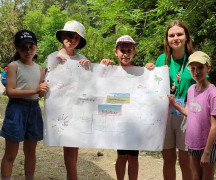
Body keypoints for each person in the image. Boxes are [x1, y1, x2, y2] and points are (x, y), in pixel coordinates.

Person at [146, 20, 194, 180]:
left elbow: (204, 87)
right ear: (167, 39)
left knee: (186, 162)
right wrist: (148, 70)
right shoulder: (162, 59)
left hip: (187, 113)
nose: (175, 38)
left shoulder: (194, 60)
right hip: (165, 114)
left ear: (186, 37)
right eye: (171, 35)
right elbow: (152, 84)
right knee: (168, 160)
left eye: (179, 34)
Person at [0, 29, 49, 180]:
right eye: (23, 48)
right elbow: (10, 91)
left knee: (31, 153)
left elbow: (39, 94)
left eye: (31, 47)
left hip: (34, 110)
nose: (28, 51)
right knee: (11, 153)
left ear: (36, 47)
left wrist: (46, 87)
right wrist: (35, 89)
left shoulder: (39, 68)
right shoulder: (13, 66)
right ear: (16, 48)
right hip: (17, 110)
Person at [44, 20, 91, 180]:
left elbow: (90, 82)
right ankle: (73, 177)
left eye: (77, 37)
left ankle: (71, 176)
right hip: (62, 109)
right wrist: (55, 66)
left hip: (78, 108)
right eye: (70, 35)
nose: (72, 39)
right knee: (70, 146)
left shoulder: (82, 58)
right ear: (62, 35)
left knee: (74, 146)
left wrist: (89, 68)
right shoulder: (52, 58)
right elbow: (46, 81)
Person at [168, 51, 216, 180]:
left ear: (208, 68)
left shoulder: (213, 94)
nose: (196, 71)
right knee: (196, 176)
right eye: (192, 68)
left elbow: (215, 126)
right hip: (193, 143)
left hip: (209, 145)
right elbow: (192, 114)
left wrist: (207, 152)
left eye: (200, 67)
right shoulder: (191, 89)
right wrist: (175, 105)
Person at [101, 35, 141, 180]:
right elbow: (100, 87)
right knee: (122, 155)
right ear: (115, 52)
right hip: (118, 121)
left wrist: (151, 69)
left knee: (134, 157)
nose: (125, 54)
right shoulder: (110, 70)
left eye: (129, 51)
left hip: (135, 122)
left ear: (134, 52)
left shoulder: (141, 72)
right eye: (122, 50)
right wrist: (102, 68)